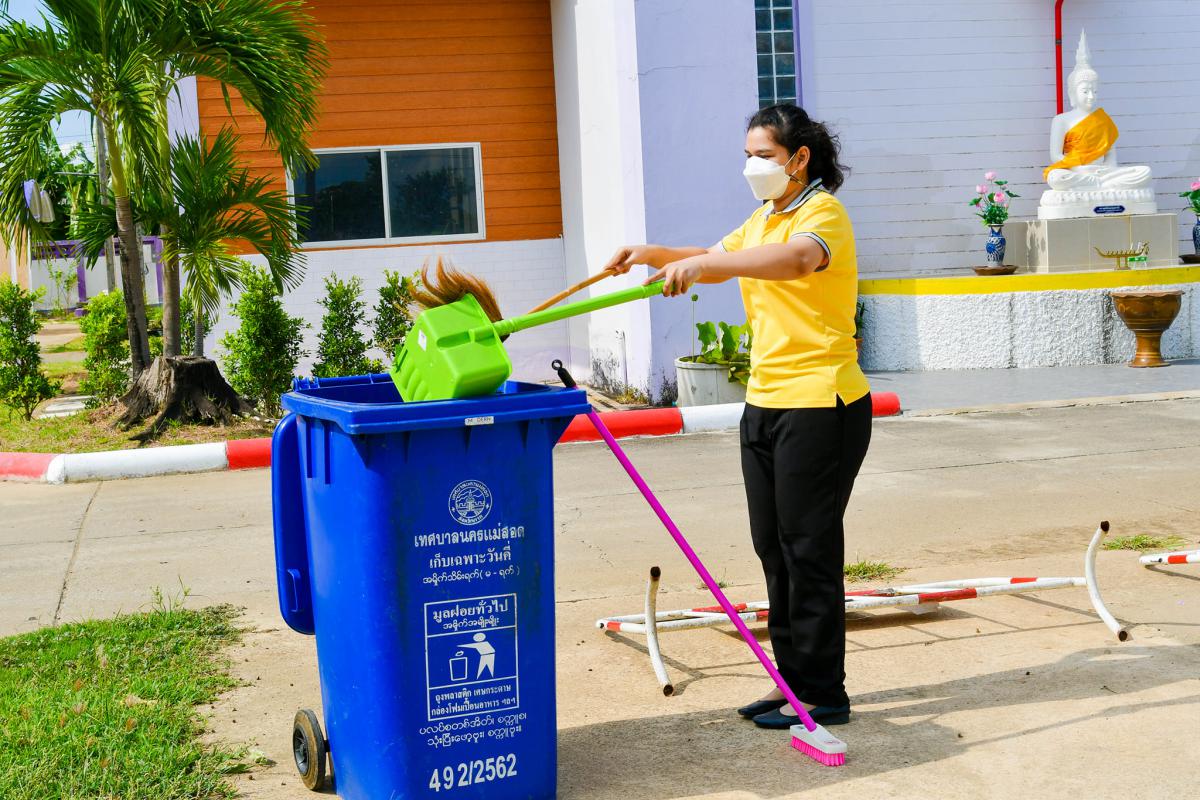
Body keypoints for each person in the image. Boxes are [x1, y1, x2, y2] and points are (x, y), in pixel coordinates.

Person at [603, 103, 871, 729]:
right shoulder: (765, 217)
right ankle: (792, 680)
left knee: (808, 548)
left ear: (799, 158)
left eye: (764, 155)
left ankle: (823, 693)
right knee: (773, 547)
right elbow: (713, 254)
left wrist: (704, 266)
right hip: (766, 400)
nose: (752, 166)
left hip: (821, 402)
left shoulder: (821, 214)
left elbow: (795, 261)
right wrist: (650, 254)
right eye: (748, 155)